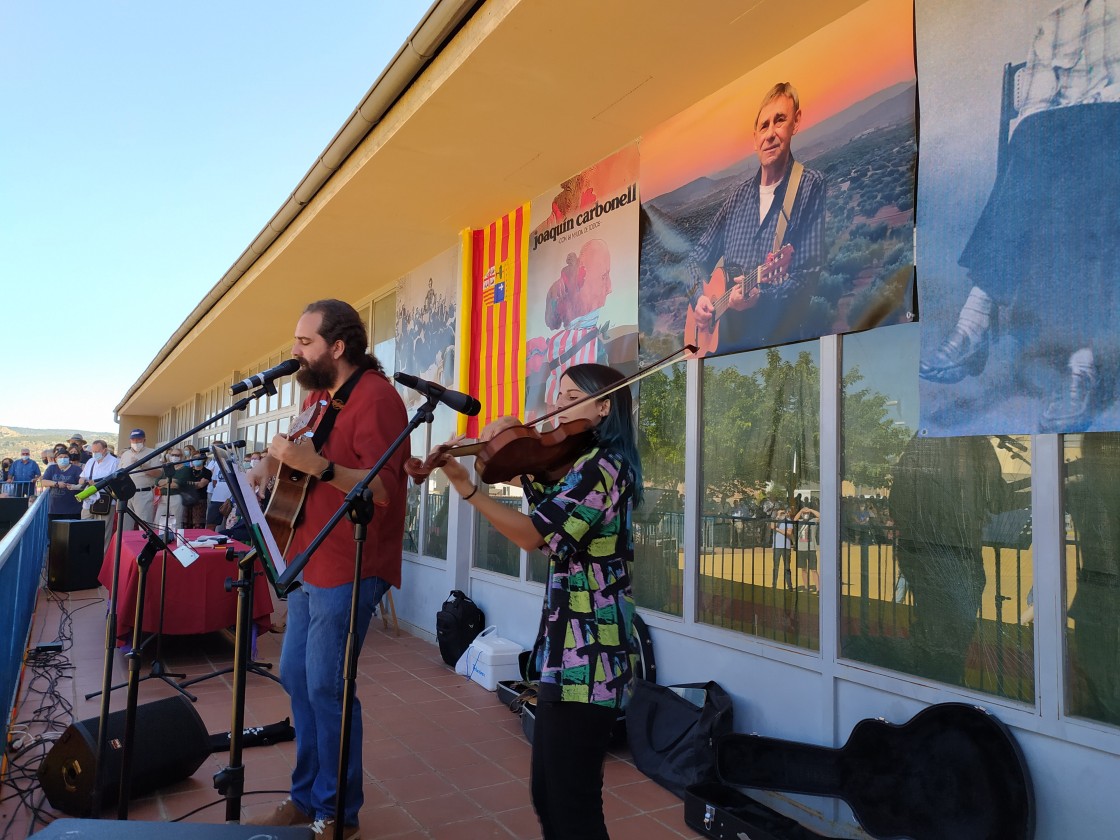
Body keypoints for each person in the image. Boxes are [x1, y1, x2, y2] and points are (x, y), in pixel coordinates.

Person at [431, 362, 641, 840]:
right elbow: (548, 514)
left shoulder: (607, 469)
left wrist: (469, 489)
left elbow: (534, 535)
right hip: (562, 653)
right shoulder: (576, 466)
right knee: (548, 794)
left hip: (592, 662)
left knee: (573, 805)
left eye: (570, 397)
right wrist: (509, 460)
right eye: (556, 396)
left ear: (604, 406)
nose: (556, 408)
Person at [246, 299, 409, 840]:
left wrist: (317, 466)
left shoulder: (378, 399)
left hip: (353, 563)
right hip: (310, 555)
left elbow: (384, 489)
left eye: (304, 342)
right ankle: (305, 796)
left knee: (327, 685)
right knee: (296, 676)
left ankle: (337, 811)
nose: (294, 352)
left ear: (337, 348)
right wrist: (267, 463)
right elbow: (291, 449)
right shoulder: (318, 395)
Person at [919, 0, 1120, 431]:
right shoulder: (1055, 23)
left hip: (1113, 129)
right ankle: (988, 328)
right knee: (1033, 137)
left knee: (1096, 151)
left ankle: (985, 325)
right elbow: (1036, 107)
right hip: (1069, 142)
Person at [687, 81, 827, 354]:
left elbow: (807, 278)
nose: (771, 134)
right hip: (724, 351)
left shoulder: (810, 186)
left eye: (780, 121)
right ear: (754, 139)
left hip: (776, 350)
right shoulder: (735, 199)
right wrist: (699, 299)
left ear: (795, 123)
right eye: (764, 126)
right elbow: (694, 259)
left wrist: (761, 297)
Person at [888, 435, 1020, 686]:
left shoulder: (922, 442)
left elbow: (897, 502)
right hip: (956, 558)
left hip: (922, 555)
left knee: (935, 632)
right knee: (952, 635)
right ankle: (946, 690)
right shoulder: (975, 442)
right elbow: (999, 500)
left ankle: (936, 689)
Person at [78, 439, 120, 554]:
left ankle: (102, 559)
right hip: (89, 499)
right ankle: (85, 555)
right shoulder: (90, 461)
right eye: (93, 451)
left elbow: (116, 482)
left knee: (104, 531)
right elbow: (82, 477)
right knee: (84, 527)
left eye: (97, 451)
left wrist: (98, 483)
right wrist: (82, 480)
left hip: (105, 500)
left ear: (105, 450)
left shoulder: (115, 462)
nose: (95, 453)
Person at [115, 429, 162, 528]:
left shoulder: (152, 453)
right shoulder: (125, 454)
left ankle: (146, 543)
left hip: (143, 493)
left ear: (144, 440)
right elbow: (118, 473)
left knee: (145, 525)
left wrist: (143, 466)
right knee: (124, 526)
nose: (136, 442)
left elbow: (158, 473)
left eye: (139, 440)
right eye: (133, 440)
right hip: (125, 494)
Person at [41, 449, 83, 522]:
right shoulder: (52, 469)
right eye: (60, 457)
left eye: (65, 457)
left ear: (69, 459)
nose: (63, 459)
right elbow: (43, 482)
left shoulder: (76, 469)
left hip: (73, 509)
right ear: (56, 459)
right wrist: (56, 484)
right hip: (55, 509)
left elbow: (82, 484)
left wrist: (74, 486)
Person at [174, 451, 211, 529]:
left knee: (198, 524)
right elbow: (181, 483)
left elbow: (201, 485)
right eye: (194, 458)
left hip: (200, 500)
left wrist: (188, 484)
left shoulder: (207, 472)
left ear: (203, 460)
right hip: (187, 498)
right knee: (185, 524)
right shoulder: (188, 470)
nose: (196, 459)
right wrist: (195, 483)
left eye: (199, 458)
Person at [154, 447, 186, 530]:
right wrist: (169, 481)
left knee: (176, 522)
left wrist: (163, 483)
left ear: (181, 456)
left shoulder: (185, 469)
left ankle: (176, 539)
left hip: (176, 497)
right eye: (172, 455)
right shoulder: (166, 468)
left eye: (177, 455)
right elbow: (157, 482)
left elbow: (177, 484)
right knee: (158, 521)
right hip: (163, 497)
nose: (174, 457)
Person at [770, 506, 794, 590]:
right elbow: (772, 526)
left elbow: (789, 533)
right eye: (780, 513)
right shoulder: (776, 521)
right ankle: (774, 584)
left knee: (787, 567)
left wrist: (778, 529)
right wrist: (777, 517)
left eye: (783, 513)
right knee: (775, 567)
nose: (782, 515)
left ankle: (789, 585)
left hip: (786, 547)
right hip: (777, 547)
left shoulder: (789, 521)